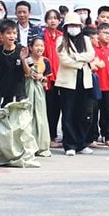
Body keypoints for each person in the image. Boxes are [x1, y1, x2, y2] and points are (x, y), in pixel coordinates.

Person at [56, 12, 96, 156]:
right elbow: (64, 60)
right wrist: (80, 62)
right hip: (67, 83)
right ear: (66, 27)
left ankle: (82, 143)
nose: (74, 28)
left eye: (76, 25)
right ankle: (70, 145)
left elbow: (91, 55)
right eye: (71, 25)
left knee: (83, 113)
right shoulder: (61, 40)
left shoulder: (85, 39)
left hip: (84, 81)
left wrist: (76, 57)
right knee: (68, 113)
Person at [26, 37, 53, 157]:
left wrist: (42, 78)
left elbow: (48, 78)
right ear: (31, 47)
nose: (40, 48)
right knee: (28, 116)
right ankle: (28, 145)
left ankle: (41, 145)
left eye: (42, 46)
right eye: (37, 45)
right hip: (27, 90)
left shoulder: (45, 61)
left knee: (41, 116)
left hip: (39, 91)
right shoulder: (26, 60)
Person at [41, 9, 64, 145]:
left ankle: (55, 135)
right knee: (50, 108)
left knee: (59, 107)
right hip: (48, 78)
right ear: (46, 21)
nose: (53, 20)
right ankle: (49, 136)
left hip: (62, 77)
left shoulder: (62, 36)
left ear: (60, 21)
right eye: (50, 18)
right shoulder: (43, 36)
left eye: (55, 18)